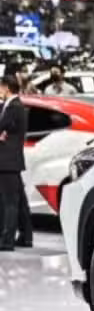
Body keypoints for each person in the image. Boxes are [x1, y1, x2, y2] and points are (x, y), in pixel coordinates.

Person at [0, 75, 31, 252]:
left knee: (9, 202)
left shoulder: (14, 106)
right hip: (11, 160)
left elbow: (2, 126)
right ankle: (26, 237)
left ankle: (7, 241)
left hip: (8, 161)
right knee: (20, 202)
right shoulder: (10, 105)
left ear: (6, 87)